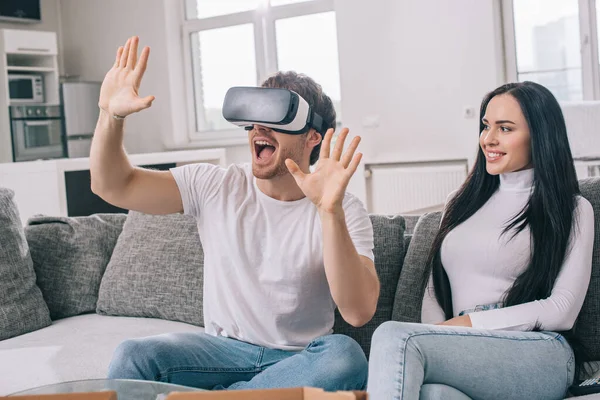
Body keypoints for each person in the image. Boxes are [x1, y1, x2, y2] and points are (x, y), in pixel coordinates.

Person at [91, 36, 380, 391]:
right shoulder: (214, 184)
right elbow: (113, 185)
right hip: (219, 352)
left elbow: (358, 311)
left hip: (297, 359)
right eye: (254, 116)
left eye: (275, 116)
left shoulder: (345, 210)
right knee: (133, 355)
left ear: (312, 137)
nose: (259, 128)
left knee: (345, 357)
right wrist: (110, 115)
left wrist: (328, 211)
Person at [367, 81, 595, 400]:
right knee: (432, 394)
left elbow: (561, 310)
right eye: (486, 126)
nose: (488, 139)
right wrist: (439, 332)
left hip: (541, 352)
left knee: (393, 337)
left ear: (541, 135)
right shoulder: (459, 203)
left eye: (505, 128)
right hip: (468, 350)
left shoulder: (571, 208)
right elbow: (435, 290)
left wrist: (466, 323)